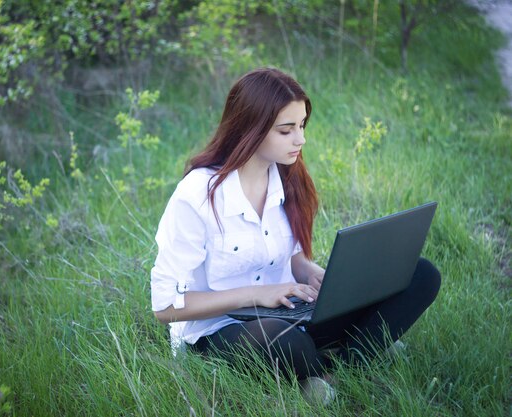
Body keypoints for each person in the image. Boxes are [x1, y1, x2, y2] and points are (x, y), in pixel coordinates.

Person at [150, 67, 440, 403]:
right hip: (220, 331)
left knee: (421, 274)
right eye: (286, 130)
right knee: (283, 340)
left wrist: (320, 278)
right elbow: (165, 307)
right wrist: (258, 294)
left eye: (302, 126)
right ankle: (358, 349)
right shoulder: (198, 194)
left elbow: (294, 257)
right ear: (250, 127)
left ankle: (332, 370)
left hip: (290, 310)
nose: (300, 140)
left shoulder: (288, 178)